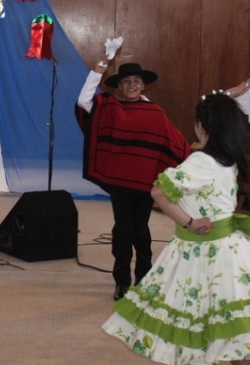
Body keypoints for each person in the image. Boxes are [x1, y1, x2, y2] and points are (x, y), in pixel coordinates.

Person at [103, 89, 250, 365]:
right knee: (236, 326)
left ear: (201, 126)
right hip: (232, 248)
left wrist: (188, 222)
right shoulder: (227, 157)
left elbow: (158, 193)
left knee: (199, 319)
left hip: (202, 249)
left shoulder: (200, 162)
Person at [76, 59, 190, 301]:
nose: (131, 85)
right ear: (119, 85)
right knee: (123, 230)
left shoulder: (155, 112)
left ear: (143, 86)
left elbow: (173, 141)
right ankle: (122, 281)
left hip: (146, 183)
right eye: (126, 81)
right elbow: (83, 102)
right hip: (120, 183)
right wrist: (96, 72)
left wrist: (192, 160)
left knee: (141, 230)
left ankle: (144, 278)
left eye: (136, 81)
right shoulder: (110, 108)